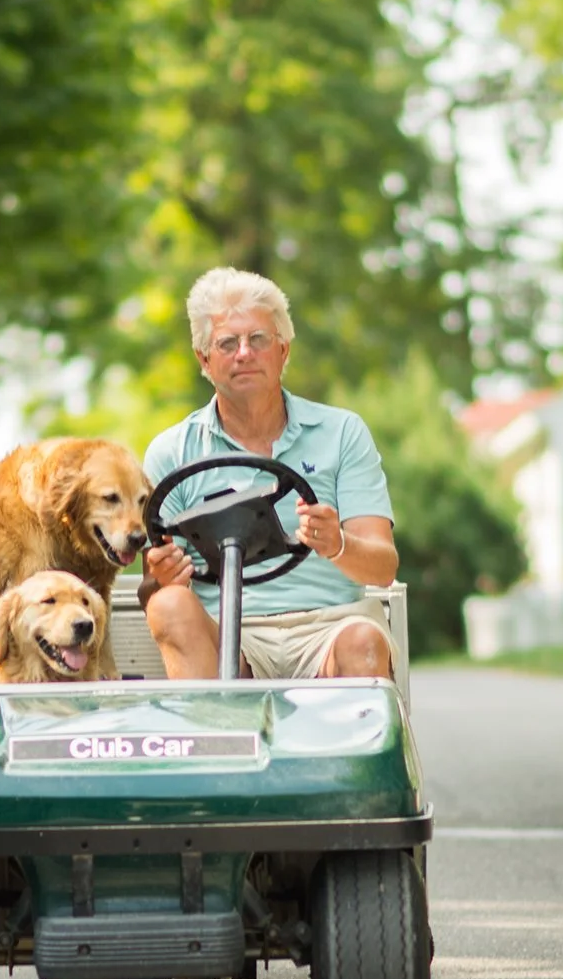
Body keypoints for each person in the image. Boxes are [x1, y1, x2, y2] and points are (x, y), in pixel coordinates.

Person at [140, 267, 399, 680]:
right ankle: (218, 740)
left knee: (362, 642)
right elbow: (149, 588)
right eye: (227, 343)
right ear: (204, 359)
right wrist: (163, 578)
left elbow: (383, 568)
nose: (244, 353)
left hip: (331, 625)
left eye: (258, 339)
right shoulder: (172, 452)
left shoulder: (342, 432)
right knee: (168, 603)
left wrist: (337, 544)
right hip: (228, 632)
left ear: (284, 350)